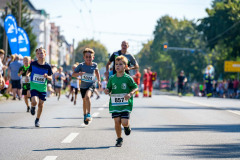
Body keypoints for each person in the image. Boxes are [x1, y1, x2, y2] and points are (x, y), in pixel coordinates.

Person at [104, 55, 138, 147]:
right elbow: (108, 88)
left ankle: (126, 127)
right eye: (116, 64)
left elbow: (135, 87)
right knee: (117, 121)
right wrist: (107, 91)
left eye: (120, 64)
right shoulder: (112, 78)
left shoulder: (128, 78)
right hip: (115, 105)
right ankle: (119, 139)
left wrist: (130, 94)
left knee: (124, 122)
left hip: (126, 104)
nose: (117, 66)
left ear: (126, 67)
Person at [72, 48, 101, 125]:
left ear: (93, 57)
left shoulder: (95, 65)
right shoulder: (81, 65)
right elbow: (73, 74)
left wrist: (99, 81)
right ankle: (84, 115)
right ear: (84, 57)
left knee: (87, 97)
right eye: (87, 57)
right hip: (83, 86)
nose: (88, 58)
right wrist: (79, 74)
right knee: (84, 100)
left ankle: (88, 113)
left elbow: (97, 72)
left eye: (90, 57)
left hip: (91, 85)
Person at [26, 47, 53, 127]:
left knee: (41, 104)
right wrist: (27, 76)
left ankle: (37, 119)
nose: (40, 55)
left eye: (41, 53)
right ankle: (33, 106)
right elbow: (28, 71)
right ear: (36, 55)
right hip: (34, 86)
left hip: (42, 88)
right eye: (38, 53)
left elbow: (51, 77)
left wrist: (47, 76)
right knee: (34, 101)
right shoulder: (33, 63)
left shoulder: (48, 66)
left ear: (45, 54)